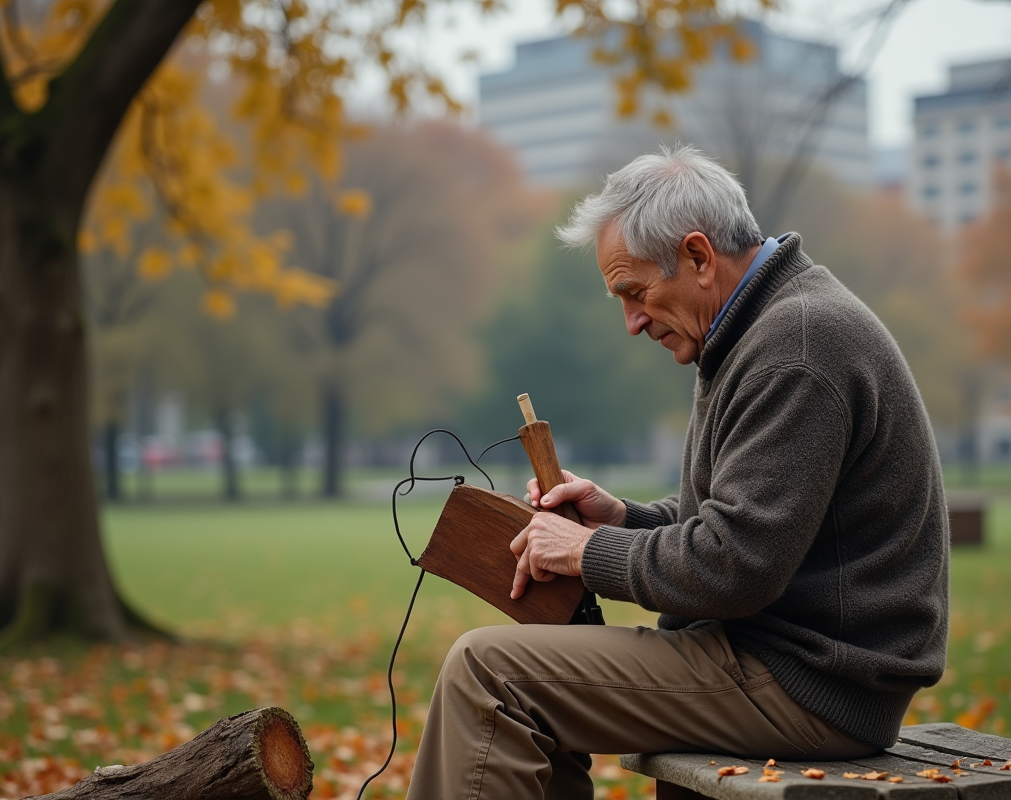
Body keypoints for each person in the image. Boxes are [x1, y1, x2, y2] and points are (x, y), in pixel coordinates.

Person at [405, 145, 949, 800]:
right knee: (516, 666)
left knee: (485, 672)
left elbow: (736, 565)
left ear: (697, 257)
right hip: (783, 661)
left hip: (809, 683)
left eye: (636, 293)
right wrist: (621, 518)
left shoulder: (796, 346)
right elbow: (736, 523)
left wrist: (586, 550)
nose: (632, 322)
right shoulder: (755, 329)